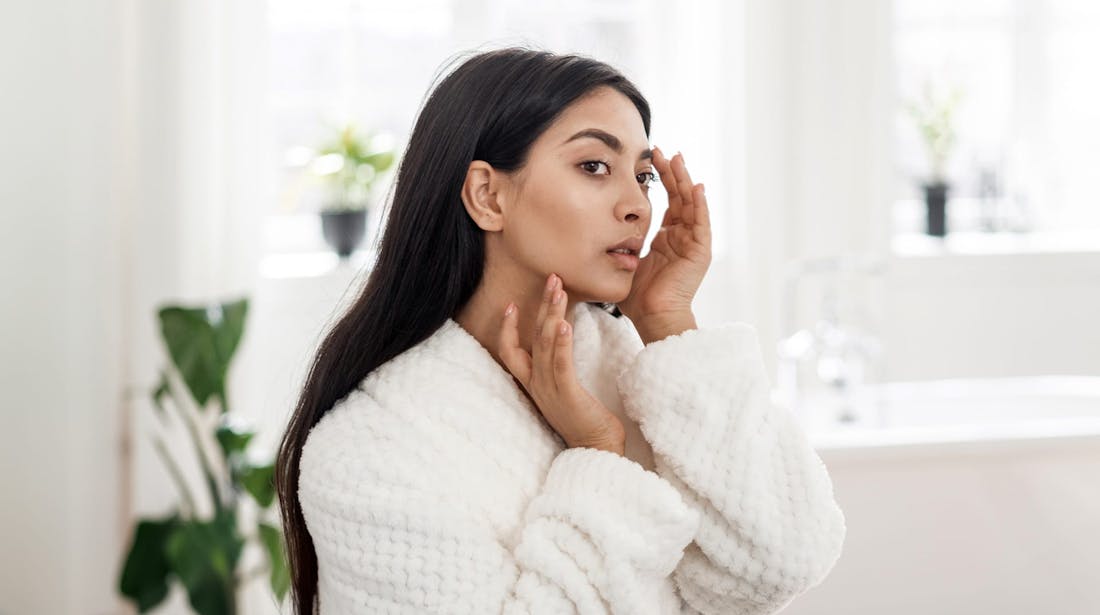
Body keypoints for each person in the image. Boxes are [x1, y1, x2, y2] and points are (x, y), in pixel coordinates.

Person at [274, 46, 846, 615]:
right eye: (595, 166)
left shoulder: (632, 372)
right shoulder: (371, 452)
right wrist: (600, 455)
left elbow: (781, 562)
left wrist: (670, 324)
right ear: (487, 195)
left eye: (644, 176)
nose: (638, 207)